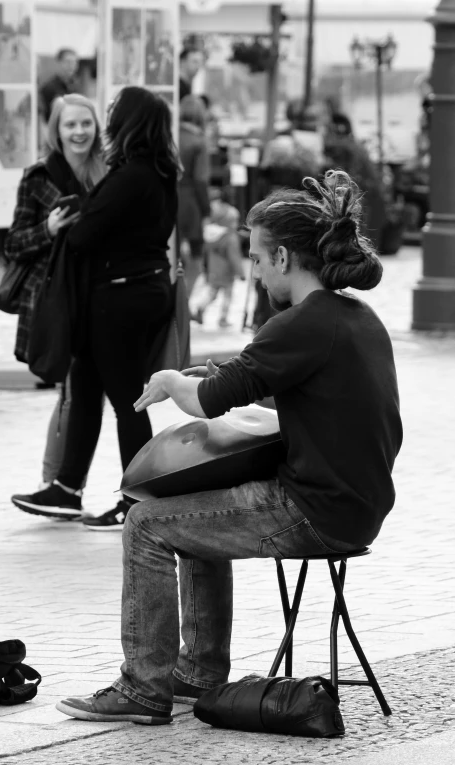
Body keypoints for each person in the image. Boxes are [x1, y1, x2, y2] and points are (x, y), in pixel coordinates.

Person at [54, 170, 403, 724]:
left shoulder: (299, 324)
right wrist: (221, 375)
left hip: (315, 510)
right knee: (198, 500)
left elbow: (209, 401)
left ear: (285, 258)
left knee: (144, 521)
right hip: (356, 505)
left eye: (259, 259)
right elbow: (270, 387)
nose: (256, 273)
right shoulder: (357, 318)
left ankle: (144, 688)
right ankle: (196, 673)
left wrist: (173, 381)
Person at [11, 87, 181, 530]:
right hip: (131, 293)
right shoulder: (158, 172)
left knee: (128, 401)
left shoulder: (133, 176)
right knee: (86, 386)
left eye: (110, 114)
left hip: (121, 298)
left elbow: (87, 233)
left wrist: (76, 220)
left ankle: (136, 499)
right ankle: (66, 489)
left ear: (128, 123)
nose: (103, 122)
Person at [4, 93, 105, 490]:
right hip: (59, 297)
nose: (79, 131)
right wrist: (47, 229)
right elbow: (13, 245)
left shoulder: (109, 173)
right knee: (71, 391)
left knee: (85, 393)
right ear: (56, 130)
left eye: (86, 123)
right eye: (70, 124)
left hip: (102, 296)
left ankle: (65, 483)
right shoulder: (38, 177)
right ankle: (56, 481)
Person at [178, 95, 210, 300]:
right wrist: (206, 209)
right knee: (196, 261)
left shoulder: (170, 135)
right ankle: (182, 303)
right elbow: (201, 180)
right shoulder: (199, 141)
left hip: (169, 201)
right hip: (190, 205)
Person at [193, 201, 245, 327]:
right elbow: (234, 257)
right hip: (227, 272)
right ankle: (223, 318)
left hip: (214, 270)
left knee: (212, 293)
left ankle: (201, 307)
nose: (235, 223)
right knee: (228, 295)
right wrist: (241, 273)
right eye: (234, 220)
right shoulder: (230, 237)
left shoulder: (211, 234)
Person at [39, 49, 80, 124]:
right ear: (59, 63)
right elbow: (42, 117)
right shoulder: (49, 87)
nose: (72, 66)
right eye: (68, 62)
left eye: (74, 62)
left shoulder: (75, 86)